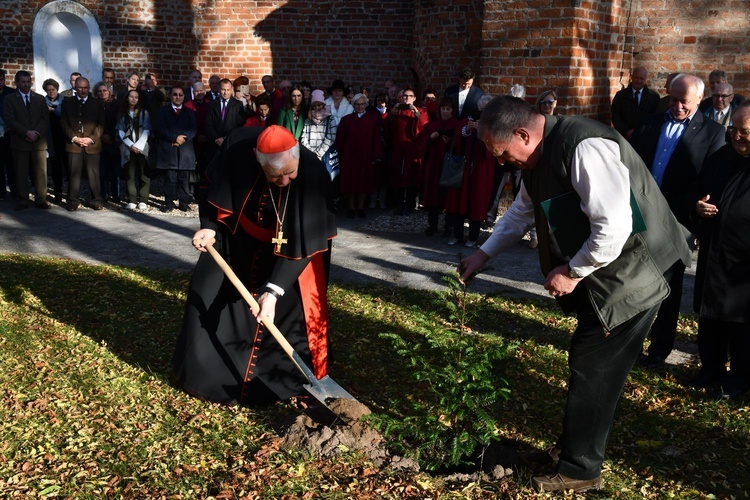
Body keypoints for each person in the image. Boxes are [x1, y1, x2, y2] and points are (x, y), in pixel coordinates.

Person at [459, 95, 691, 493]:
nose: (500, 162)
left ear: (522, 134)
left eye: (500, 153)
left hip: (639, 267)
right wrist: (482, 254)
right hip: (609, 267)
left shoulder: (584, 146)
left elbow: (614, 226)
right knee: (588, 357)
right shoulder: (536, 159)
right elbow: (520, 213)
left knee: (596, 364)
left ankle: (580, 469)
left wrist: (573, 271)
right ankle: (571, 449)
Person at [172, 125, 336, 405]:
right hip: (238, 240)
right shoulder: (236, 150)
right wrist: (209, 227)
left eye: (289, 173)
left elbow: (306, 240)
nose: (284, 181)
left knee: (289, 313)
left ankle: (284, 382)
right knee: (207, 294)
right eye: (276, 175)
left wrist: (273, 291)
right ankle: (208, 374)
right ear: (257, 161)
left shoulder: (312, 173)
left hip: (294, 253)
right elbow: (210, 186)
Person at [630, 73, 726, 368]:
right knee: (632, 280)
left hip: (677, 220)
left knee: (668, 289)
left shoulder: (712, 133)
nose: (677, 106)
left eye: (683, 101)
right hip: (639, 216)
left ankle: (659, 348)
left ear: (699, 99)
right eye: (672, 99)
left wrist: (697, 204)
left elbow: (709, 179)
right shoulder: (649, 123)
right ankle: (629, 341)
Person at [687, 102, 750, 399]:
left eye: (745, 132)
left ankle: (739, 378)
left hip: (744, 263)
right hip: (714, 254)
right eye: (733, 130)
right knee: (711, 319)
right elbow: (697, 188)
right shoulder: (721, 157)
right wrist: (697, 205)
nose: (737, 136)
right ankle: (710, 370)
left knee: (742, 326)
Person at [444, 94, 496, 247]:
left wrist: (484, 133)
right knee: (459, 201)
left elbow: (494, 148)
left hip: (482, 169)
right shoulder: (469, 120)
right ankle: (457, 235)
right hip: (464, 169)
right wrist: (467, 129)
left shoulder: (493, 124)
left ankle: (473, 237)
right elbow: (458, 142)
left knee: (478, 202)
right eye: (481, 109)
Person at [3, 70, 50, 210]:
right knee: (21, 171)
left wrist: (36, 132)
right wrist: (26, 132)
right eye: (23, 82)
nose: (26, 85)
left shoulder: (39, 98)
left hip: (39, 141)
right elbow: (10, 119)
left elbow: (45, 118)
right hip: (20, 141)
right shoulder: (10, 99)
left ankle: (41, 198)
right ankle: (23, 199)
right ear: (16, 83)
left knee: (41, 172)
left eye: (28, 82)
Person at [60, 76, 106, 211]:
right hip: (74, 144)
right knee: (73, 174)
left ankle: (97, 200)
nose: (83, 90)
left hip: (92, 145)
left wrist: (91, 138)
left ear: (89, 88)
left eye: (86, 87)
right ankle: (73, 200)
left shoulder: (96, 103)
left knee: (94, 174)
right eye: (80, 87)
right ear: (75, 87)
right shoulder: (67, 103)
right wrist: (74, 138)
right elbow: (63, 123)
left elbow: (101, 124)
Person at [336, 93, 382, 218]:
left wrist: (376, 155)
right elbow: (340, 140)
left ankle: (360, 206)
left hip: (366, 156)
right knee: (350, 183)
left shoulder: (372, 119)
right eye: (357, 104)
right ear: (353, 105)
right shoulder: (346, 120)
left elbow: (376, 138)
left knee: (363, 182)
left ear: (366, 105)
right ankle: (351, 207)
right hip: (349, 156)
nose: (360, 106)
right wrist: (341, 156)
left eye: (362, 104)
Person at [417, 97, 459, 234]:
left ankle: (449, 226)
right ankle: (433, 225)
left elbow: (462, 144)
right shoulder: (432, 125)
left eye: (448, 109)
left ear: (452, 111)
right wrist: (430, 139)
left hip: (449, 166)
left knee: (449, 196)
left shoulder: (457, 125)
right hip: (434, 165)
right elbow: (422, 144)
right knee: (432, 195)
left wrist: (451, 140)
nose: (445, 112)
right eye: (443, 109)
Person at [155, 85, 196, 212]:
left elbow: (193, 129)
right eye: (175, 94)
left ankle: (184, 202)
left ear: (184, 96)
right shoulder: (163, 111)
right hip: (169, 148)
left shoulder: (189, 112)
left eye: (180, 95)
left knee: (184, 178)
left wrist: (183, 138)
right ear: (170, 96)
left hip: (185, 149)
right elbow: (160, 128)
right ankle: (169, 203)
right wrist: (174, 138)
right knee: (170, 177)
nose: (177, 97)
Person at [388, 86, 428, 215]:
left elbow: (423, 127)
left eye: (410, 96)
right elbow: (389, 126)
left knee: (411, 176)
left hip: (412, 148)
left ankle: (410, 204)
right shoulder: (397, 111)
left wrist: (416, 112)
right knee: (398, 175)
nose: (407, 98)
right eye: (405, 96)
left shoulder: (421, 110)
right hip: (398, 147)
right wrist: (392, 115)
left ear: (414, 98)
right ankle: (399, 203)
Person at [116, 89, 151, 210]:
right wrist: (131, 145)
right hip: (128, 147)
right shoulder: (122, 113)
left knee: (143, 174)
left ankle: (143, 199)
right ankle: (132, 199)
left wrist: (139, 146)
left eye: (136, 97)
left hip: (142, 146)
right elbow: (120, 131)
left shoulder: (143, 113)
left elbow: (147, 130)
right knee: (130, 173)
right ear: (127, 98)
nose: (133, 99)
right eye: (131, 96)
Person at [610, 66, 660, 140]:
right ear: (632, 77)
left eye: (641, 78)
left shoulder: (653, 97)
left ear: (646, 79)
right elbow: (615, 115)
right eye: (636, 78)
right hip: (625, 137)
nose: (639, 81)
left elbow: (655, 117)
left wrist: (642, 131)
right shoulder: (621, 96)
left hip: (645, 138)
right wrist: (626, 131)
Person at [205, 78, 248, 161]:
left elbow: (240, 125)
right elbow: (208, 125)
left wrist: (225, 139)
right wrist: (217, 139)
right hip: (215, 145)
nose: (225, 92)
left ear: (231, 89)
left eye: (228, 90)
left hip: (231, 143)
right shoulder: (211, 105)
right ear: (219, 89)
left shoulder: (238, 105)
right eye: (223, 89)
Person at [94, 81, 121, 203]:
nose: (102, 93)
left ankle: (116, 195)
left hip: (113, 141)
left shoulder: (116, 104)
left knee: (115, 171)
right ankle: (104, 194)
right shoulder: (94, 105)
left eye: (104, 90)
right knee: (102, 171)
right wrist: (100, 135)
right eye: (99, 91)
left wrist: (110, 135)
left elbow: (119, 122)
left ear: (109, 92)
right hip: (99, 141)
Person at [42, 78, 66, 203]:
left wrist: (52, 110)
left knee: (68, 168)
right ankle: (58, 194)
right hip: (51, 140)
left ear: (57, 89)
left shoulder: (64, 101)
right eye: (49, 90)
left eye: (53, 89)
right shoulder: (42, 103)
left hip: (65, 139)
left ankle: (71, 194)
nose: (51, 92)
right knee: (55, 169)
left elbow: (65, 115)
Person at [0, 68, 16, 200]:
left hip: (11, 133)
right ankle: (1, 192)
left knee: (12, 164)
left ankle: (15, 191)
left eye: (1, 80)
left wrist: (11, 126)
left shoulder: (11, 93)